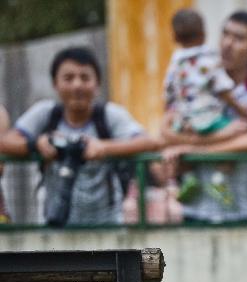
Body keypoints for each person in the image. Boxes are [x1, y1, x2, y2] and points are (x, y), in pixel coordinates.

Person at [0, 47, 158, 226]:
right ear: (55, 83)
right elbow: (5, 143)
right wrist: (36, 144)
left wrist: (104, 148)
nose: (77, 85)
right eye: (68, 78)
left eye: (85, 77)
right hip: (54, 227)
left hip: (108, 227)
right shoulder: (45, 113)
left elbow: (149, 142)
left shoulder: (109, 115)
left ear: (97, 84)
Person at [161, 11, 247, 223]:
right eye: (225, 34)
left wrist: (193, 149)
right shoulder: (192, 75)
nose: (227, 43)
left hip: (243, 212)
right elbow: (165, 132)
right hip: (194, 211)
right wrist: (214, 140)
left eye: (239, 38)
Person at [164, 9, 247, 139]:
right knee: (241, 130)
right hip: (209, 121)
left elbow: (168, 94)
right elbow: (222, 88)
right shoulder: (208, 59)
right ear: (204, 34)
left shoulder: (175, 63)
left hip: (182, 122)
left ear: (175, 37)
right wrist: (242, 110)